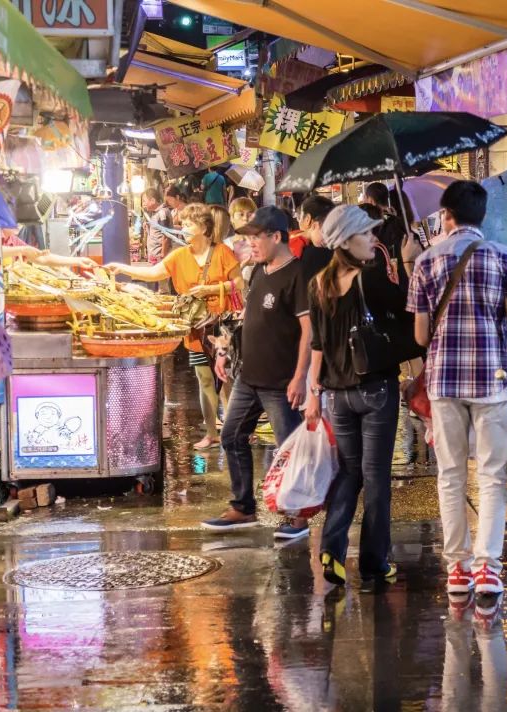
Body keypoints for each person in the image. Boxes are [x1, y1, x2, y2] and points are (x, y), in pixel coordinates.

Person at [408, 181, 507, 598]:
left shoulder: (425, 261)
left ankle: (457, 569)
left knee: (450, 475)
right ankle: (487, 568)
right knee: (492, 476)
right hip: (492, 382)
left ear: (446, 215)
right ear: (482, 215)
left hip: (443, 383)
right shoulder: (505, 257)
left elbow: (420, 336)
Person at [306, 205, 406, 592]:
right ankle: (374, 563)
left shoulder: (318, 284)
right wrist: (408, 262)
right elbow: (411, 308)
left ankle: (332, 547)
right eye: (366, 234)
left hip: (337, 395)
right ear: (346, 241)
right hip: (376, 390)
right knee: (376, 476)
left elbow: (318, 343)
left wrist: (315, 391)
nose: (373, 240)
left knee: (349, 471)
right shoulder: (371, 279)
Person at [203, 207, 312, 537]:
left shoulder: (298, 275)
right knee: (231, 435)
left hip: (281, 381)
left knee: (289, 448)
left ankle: (299, 516)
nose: (250, 243)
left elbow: (309, 330)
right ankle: (242, 507)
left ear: (276, 236)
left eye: (256, 237)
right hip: (248, 376)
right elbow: (247, 322)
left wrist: (300, 376)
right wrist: (224, 351)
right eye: (247, 237)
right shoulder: (258, 272)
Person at [106, 204, 240, 450]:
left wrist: (210, 289)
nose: (184, 228)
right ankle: (212, 433)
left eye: (189, 224)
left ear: (203, 227)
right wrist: (123, 268)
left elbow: (239, 284)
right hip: (196, 328)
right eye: (184, 224)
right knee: (204, 378)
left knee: (227, 379)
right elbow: (154, 273)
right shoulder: (179, 255)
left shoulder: (222, 253)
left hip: (223, 328)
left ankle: (233, 432)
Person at [295, 195, 335, 283]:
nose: (298, 221)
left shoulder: (290, 244)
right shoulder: (333, 252)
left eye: (300, 217)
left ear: (308, 219)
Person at [142, 189, 173, 266]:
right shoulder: (155, 213)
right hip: (154, 257)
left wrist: (163, 254)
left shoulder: (162, 213)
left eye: (144, 201)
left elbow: (166, 235)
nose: (143, 204)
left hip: (159, 258)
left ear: (152, 200)